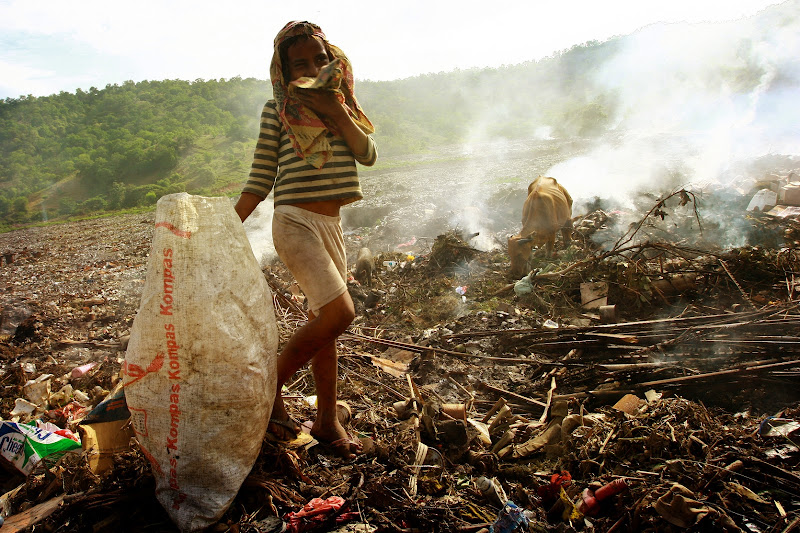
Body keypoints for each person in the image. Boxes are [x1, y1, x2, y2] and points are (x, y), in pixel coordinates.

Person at [235, 21, 377, 459]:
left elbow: (367, 154)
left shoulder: (342, 107)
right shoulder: (277, 110)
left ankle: (327, 420)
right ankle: (268, 391)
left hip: (331, 228)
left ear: (332, 59)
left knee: (327, 329)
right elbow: (261, 177)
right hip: (294, 223)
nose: (312, 69)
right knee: (340, 313)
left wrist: (336, 113)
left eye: (320, 59)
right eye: (300, 64)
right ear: (283, 72)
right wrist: (223, 229)